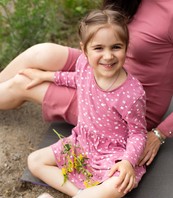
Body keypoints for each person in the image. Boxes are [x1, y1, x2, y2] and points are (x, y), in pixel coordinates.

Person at [12, 8, 147, 198]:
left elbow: (138, 134)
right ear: (84, 49)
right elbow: (76, 79)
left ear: (126, 47)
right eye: (98, 48)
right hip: (82, 143)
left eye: (116, 47)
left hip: (112, 155)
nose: (108, 56)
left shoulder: (132, 94)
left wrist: (127, 162)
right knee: (35, 161)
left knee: (117, 186)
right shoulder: (84, 65)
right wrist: (47, 76)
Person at [0, 0, 173, 167]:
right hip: (102, 67)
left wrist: (160, 133)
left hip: (122, 103)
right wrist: (50, 75)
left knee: (22, 84)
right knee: (41, 53)